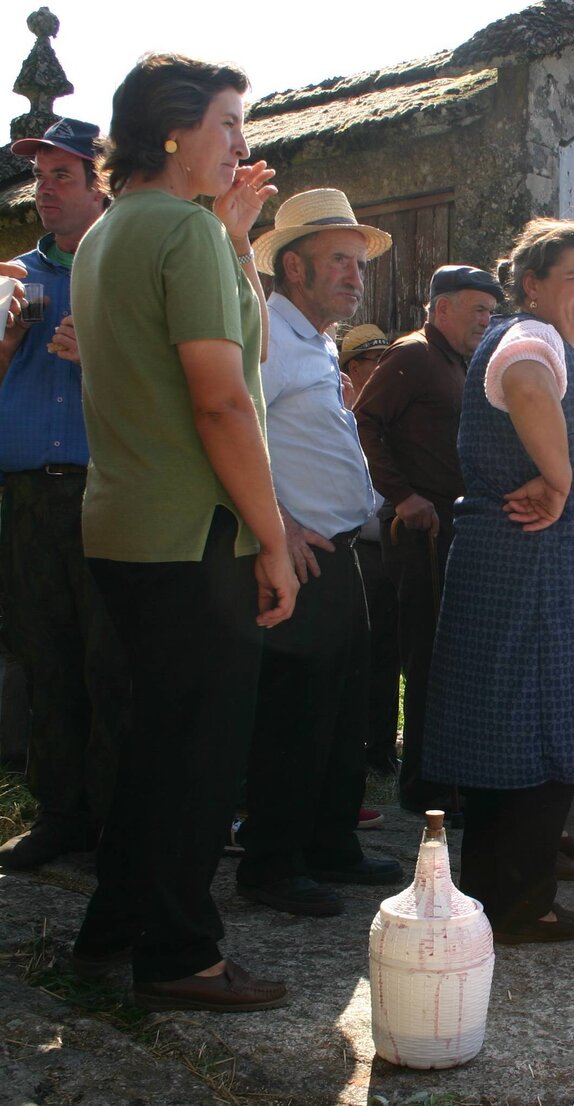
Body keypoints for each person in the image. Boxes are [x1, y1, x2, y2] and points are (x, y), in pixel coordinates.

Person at [70, 53, 297, 1012]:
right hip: (194, 534)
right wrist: (275, 538)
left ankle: (115, 926)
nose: (243, 144)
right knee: (200, 755)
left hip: (121, 526)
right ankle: (181, 955)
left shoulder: (105, 233)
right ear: (173, 131)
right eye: (230, 123)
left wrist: (233, 238)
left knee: (158, 742)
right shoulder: (184, 235)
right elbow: (222, 408)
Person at [422, 218, 574, 945]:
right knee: (534, 733)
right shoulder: (529, 339)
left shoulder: (561, 349)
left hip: (542, 573)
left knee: (515, 732)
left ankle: (502, 896)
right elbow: (524, 382)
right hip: (538, 573)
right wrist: (560, 477)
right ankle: (519, 906)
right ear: (533, 285)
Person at [236, 189, 402, 917]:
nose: (354, 276)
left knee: (340, 714)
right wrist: (277, 522)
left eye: (358, 264)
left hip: (339, 555)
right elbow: (235, 431)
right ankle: (271, 866)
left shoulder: (315, 340)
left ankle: (331, 844)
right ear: (293, 266)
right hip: (297, 554)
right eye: (340, 260)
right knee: (294, 718)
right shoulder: (265, 334)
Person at [0, 119, 127, 870]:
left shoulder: (125, 273)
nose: (44, 191)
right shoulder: (10, 278)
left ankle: (115, 819)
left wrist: (107, 353)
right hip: (26, 499)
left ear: (98, 184)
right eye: (38, 177)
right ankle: (60, 812)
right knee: (44, 656)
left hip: (102, 490)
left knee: (110, 659)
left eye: (61, 177)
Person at [355, 264, 501, 816]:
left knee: (453, 659)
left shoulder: (463, 362)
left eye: (491, 311)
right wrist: (403, 495)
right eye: (477, 310)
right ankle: (425, 788)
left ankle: (450, 781)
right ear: (442, 308)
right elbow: (362, 423)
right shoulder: (412, 354)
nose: (487, 320)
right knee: (428, 660)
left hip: (458, 526)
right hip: (421, 529)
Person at [339, 324, 400, 776]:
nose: (382, 370)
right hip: (357, 548)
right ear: (352, 368)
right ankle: (355, 745)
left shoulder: (395, 416)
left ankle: (380, 748)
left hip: (392, 548)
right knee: (359, 651)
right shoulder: (339, 414)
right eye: (373, 361)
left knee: (389, 654)